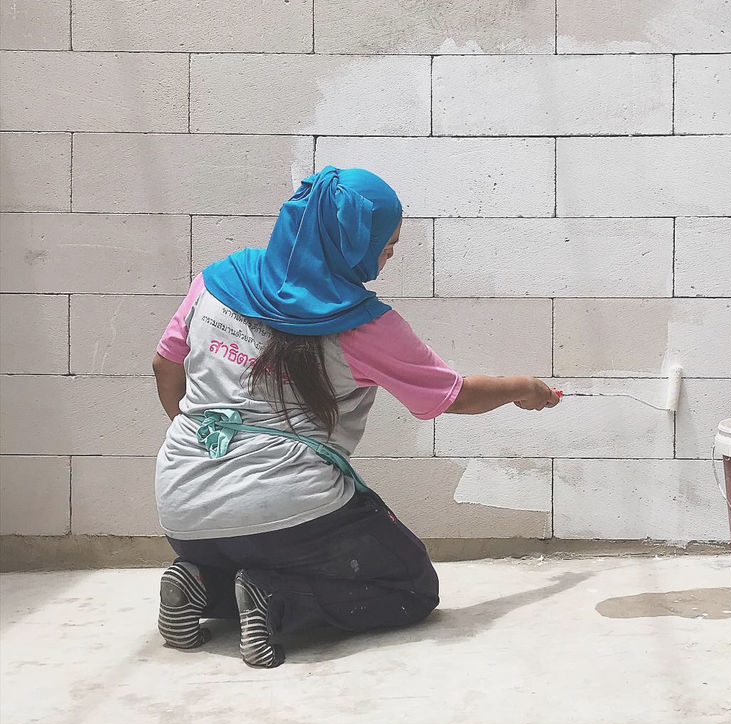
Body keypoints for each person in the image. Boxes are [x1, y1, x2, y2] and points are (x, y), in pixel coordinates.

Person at [152, 166, 561, 668]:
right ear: (347, 240)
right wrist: (524, 387)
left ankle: (200, 582)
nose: (391, 251)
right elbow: (454, 397)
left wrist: (199, 440)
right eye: (385, 241)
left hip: (180, 505)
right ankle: (277, 603)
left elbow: (164, 365)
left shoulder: (217, 281)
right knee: (408, 585)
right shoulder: (363, 325)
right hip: (286, 513)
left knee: (245, 547)